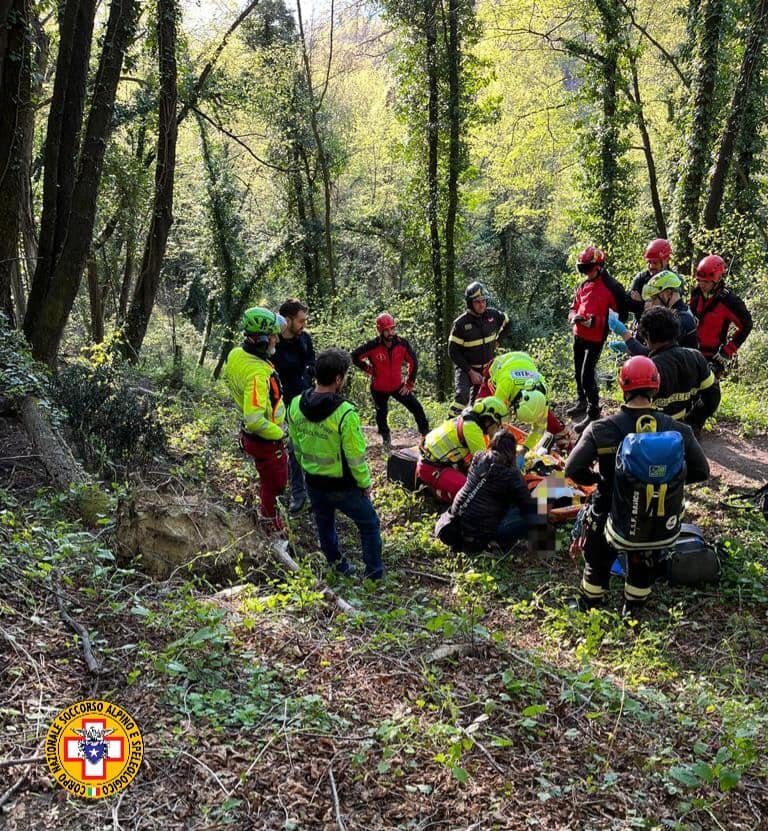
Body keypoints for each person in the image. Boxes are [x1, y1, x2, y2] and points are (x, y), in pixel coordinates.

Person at [564, 356, 709, 615]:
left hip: (607, 509)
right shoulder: (677, 430)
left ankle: (590, 604)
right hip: (655, 511)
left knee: (597, 559)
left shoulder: (602, 429)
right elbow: (701, 471)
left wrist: (601, 481)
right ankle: (632, 611)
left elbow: (572, 469)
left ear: (623, 386)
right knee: (644, 557)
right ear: (656, 387)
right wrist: (669, 481)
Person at [287, 348, 384, 580]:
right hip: (343, 486)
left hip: (313, 482)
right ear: (338, 378)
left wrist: (308, 469)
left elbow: (296, 447)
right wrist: (365, 483)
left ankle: (337, 567)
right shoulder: (344, 413)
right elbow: (355, 456)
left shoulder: (295, 404)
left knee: (325, 524)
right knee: (369, 524)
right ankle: (374, 575)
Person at [224, 307, 289, 533]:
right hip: (266, 439)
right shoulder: (258, 373)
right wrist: (281, 433)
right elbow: (254, 420)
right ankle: (272, 526)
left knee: (268, 481)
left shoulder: (235, 354)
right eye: (273, 336)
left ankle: (268, 515)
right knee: (276, 483)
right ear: (261, 339)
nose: (277, 340)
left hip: (255, 436)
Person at [434, 431, 537, 552]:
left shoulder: (478, 457)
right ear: (512, 451)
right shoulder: (512, 474)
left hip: (453, 523)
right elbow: (529, 508)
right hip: (479, 534)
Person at [567, 246, 629, 434]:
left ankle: (593, 412)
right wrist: (573, 317)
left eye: (589, 268)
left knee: (587, 375)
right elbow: (573, 307)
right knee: (578, 373)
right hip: (578, 335)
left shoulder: (613, 288)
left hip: (596, 338)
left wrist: (593, 321)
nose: (586, 273)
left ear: (599, 267)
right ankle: (582, 401)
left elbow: (620, 318)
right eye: (583, 269)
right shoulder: (583, 285)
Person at [351, 313, 429, 453]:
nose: (390, 333)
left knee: (416, 407)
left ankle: (426, 435)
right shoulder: (373, 345)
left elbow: (413, 362)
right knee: (381, 413)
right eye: (386, 330)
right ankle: (386, 439)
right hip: (378, 388)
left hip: (398, 386)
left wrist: (409, 384)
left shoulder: (402, 344)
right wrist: (369, 369)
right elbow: (354, 356)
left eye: (392, 329)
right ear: (380, 330)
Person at [416, 396, 507, 503]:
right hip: (432, 467)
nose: (499, 429)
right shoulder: (472, 430)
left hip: (442, 461)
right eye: (498, 425)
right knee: (472, 493)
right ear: (489, 419)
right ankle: (432, 491)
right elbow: (486, 463)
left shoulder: (470, 419)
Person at [273, 298, 316, 515]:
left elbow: (312, 361)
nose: (303, 325)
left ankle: (315, 491)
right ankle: (298, 493)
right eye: (300, 321)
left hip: (307, 400)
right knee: (292, 448)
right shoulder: (274, 343)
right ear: (287, 320)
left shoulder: (305, 339)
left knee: (311, 444)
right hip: (284, 404)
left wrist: (310, 371)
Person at [448, 281, 509, 414]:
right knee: (462, 398)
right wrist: (470, 372)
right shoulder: (460, 324)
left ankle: (472, 430)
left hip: (486, 370)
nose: (482, 304)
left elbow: (508, 322)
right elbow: (453, 352)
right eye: (477, 301)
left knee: (480, 405)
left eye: (483, 301)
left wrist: (499, 339)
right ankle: (448, 427)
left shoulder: (493, 315)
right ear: (470, 303)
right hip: (466, 369)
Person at [689, 254, 753, 378]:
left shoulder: (730, 301)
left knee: (709, 395)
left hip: (712, 357)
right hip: (691, 352)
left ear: (717, 279)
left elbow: (747, 325)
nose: (702, 285)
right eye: (699, 280)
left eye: (706, 282)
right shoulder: (696, 293)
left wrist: (728, 350)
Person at [482, 351, 559, 450]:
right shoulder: (506, 382)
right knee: (484, 413)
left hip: (525, 361)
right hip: (498, 366)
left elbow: (539, 429)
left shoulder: (542, 398)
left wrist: (525, 449)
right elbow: (495, 416)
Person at [608, 270, 698, 353]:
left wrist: (625, 334)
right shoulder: (674, 315)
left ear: (668, 294)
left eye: (654, 298)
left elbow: (653, 356)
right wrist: (630, 348)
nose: (652, 304)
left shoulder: (681, 320)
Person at [627, 238, 673, 318]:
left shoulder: (674, 281)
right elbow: (629, 303)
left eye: (655, 263)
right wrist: (647, 305)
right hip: (641, 327)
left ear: (667, 260)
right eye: (649, 262)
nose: (651, 266)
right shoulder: (641, 278)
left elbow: (669, 311)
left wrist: (641, 303)